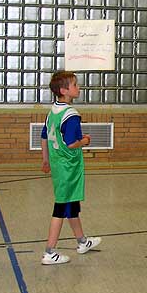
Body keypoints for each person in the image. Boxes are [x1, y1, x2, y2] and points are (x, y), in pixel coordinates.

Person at [40, 71, 101, 265]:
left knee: (72, 205)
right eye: (75, 85)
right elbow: (71, 143)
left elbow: (44, 137)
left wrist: (46, 160)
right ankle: (49, 251)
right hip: (68, 167)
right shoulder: (71, 115)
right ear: (64, 90)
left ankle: (82, 241)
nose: (79, 88)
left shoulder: (53, 112)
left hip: (59, 165)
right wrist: (85, 140)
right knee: (61, 208)